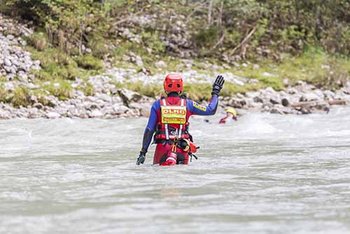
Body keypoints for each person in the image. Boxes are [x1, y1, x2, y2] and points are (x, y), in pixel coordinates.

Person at [136, 74, 225, 166]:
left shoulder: (157, 105)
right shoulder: (189, 104)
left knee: (160, 176)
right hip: (182, 149)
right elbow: (210, 110)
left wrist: (143, 152)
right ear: (181, 87)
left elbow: (149, 129)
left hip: (163, 148)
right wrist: (216, 92)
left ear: (165, 86)